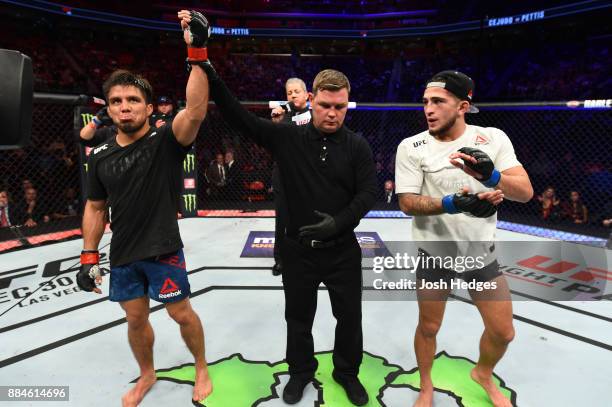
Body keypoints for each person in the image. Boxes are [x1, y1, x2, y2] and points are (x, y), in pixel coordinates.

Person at [197, 32, 377, 404]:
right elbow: (239, 118)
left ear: (347, 105)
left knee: (350, 320)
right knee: (298, 320)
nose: (332, 113)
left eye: (340, 107)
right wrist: (209, 71)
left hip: (342, 250)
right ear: (311, 100)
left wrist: (338, 223)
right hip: (299, 251)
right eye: (326, 104)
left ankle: (347, 373)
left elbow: (367, 195)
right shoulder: (287, 138)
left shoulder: (357, 146)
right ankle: (299, 372)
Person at [75, 10, 213, 406]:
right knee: (135, 319)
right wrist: (88, 255)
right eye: (116, 101)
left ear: (148, 108)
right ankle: (147, 374)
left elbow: (197, 110)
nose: (124, 107)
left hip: (163, 248)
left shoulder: (165, 140)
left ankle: (201, 365)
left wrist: (197, 51)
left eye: (133, 100)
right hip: (123, 254)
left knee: (181, 315)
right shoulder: (99, 155)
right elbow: (96, 207)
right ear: (109, 108)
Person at [395, 70, 533, 407]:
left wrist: (493, 176)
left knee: (503, 333)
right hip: (434, 254)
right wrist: (451, 203)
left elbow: (525, 192)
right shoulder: (412, 146)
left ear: (462, 106)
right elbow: (407, 203)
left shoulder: (492, 138)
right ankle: (426, 385)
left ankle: (482, 373)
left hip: (479, 255)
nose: (429, 109)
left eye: (438, 101)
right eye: (426, 102)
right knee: (429, 326)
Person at [270, 77, 311, 276]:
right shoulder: (281, 116)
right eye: (289, 93)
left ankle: (305, 256)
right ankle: (280, 259)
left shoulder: (314, 116)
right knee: (282, 219)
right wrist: (278, 122)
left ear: (306, 95)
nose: (293, 95)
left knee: (307, 217)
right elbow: (276, 143)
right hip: (283, 175)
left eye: (296, 91)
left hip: (306, 175)